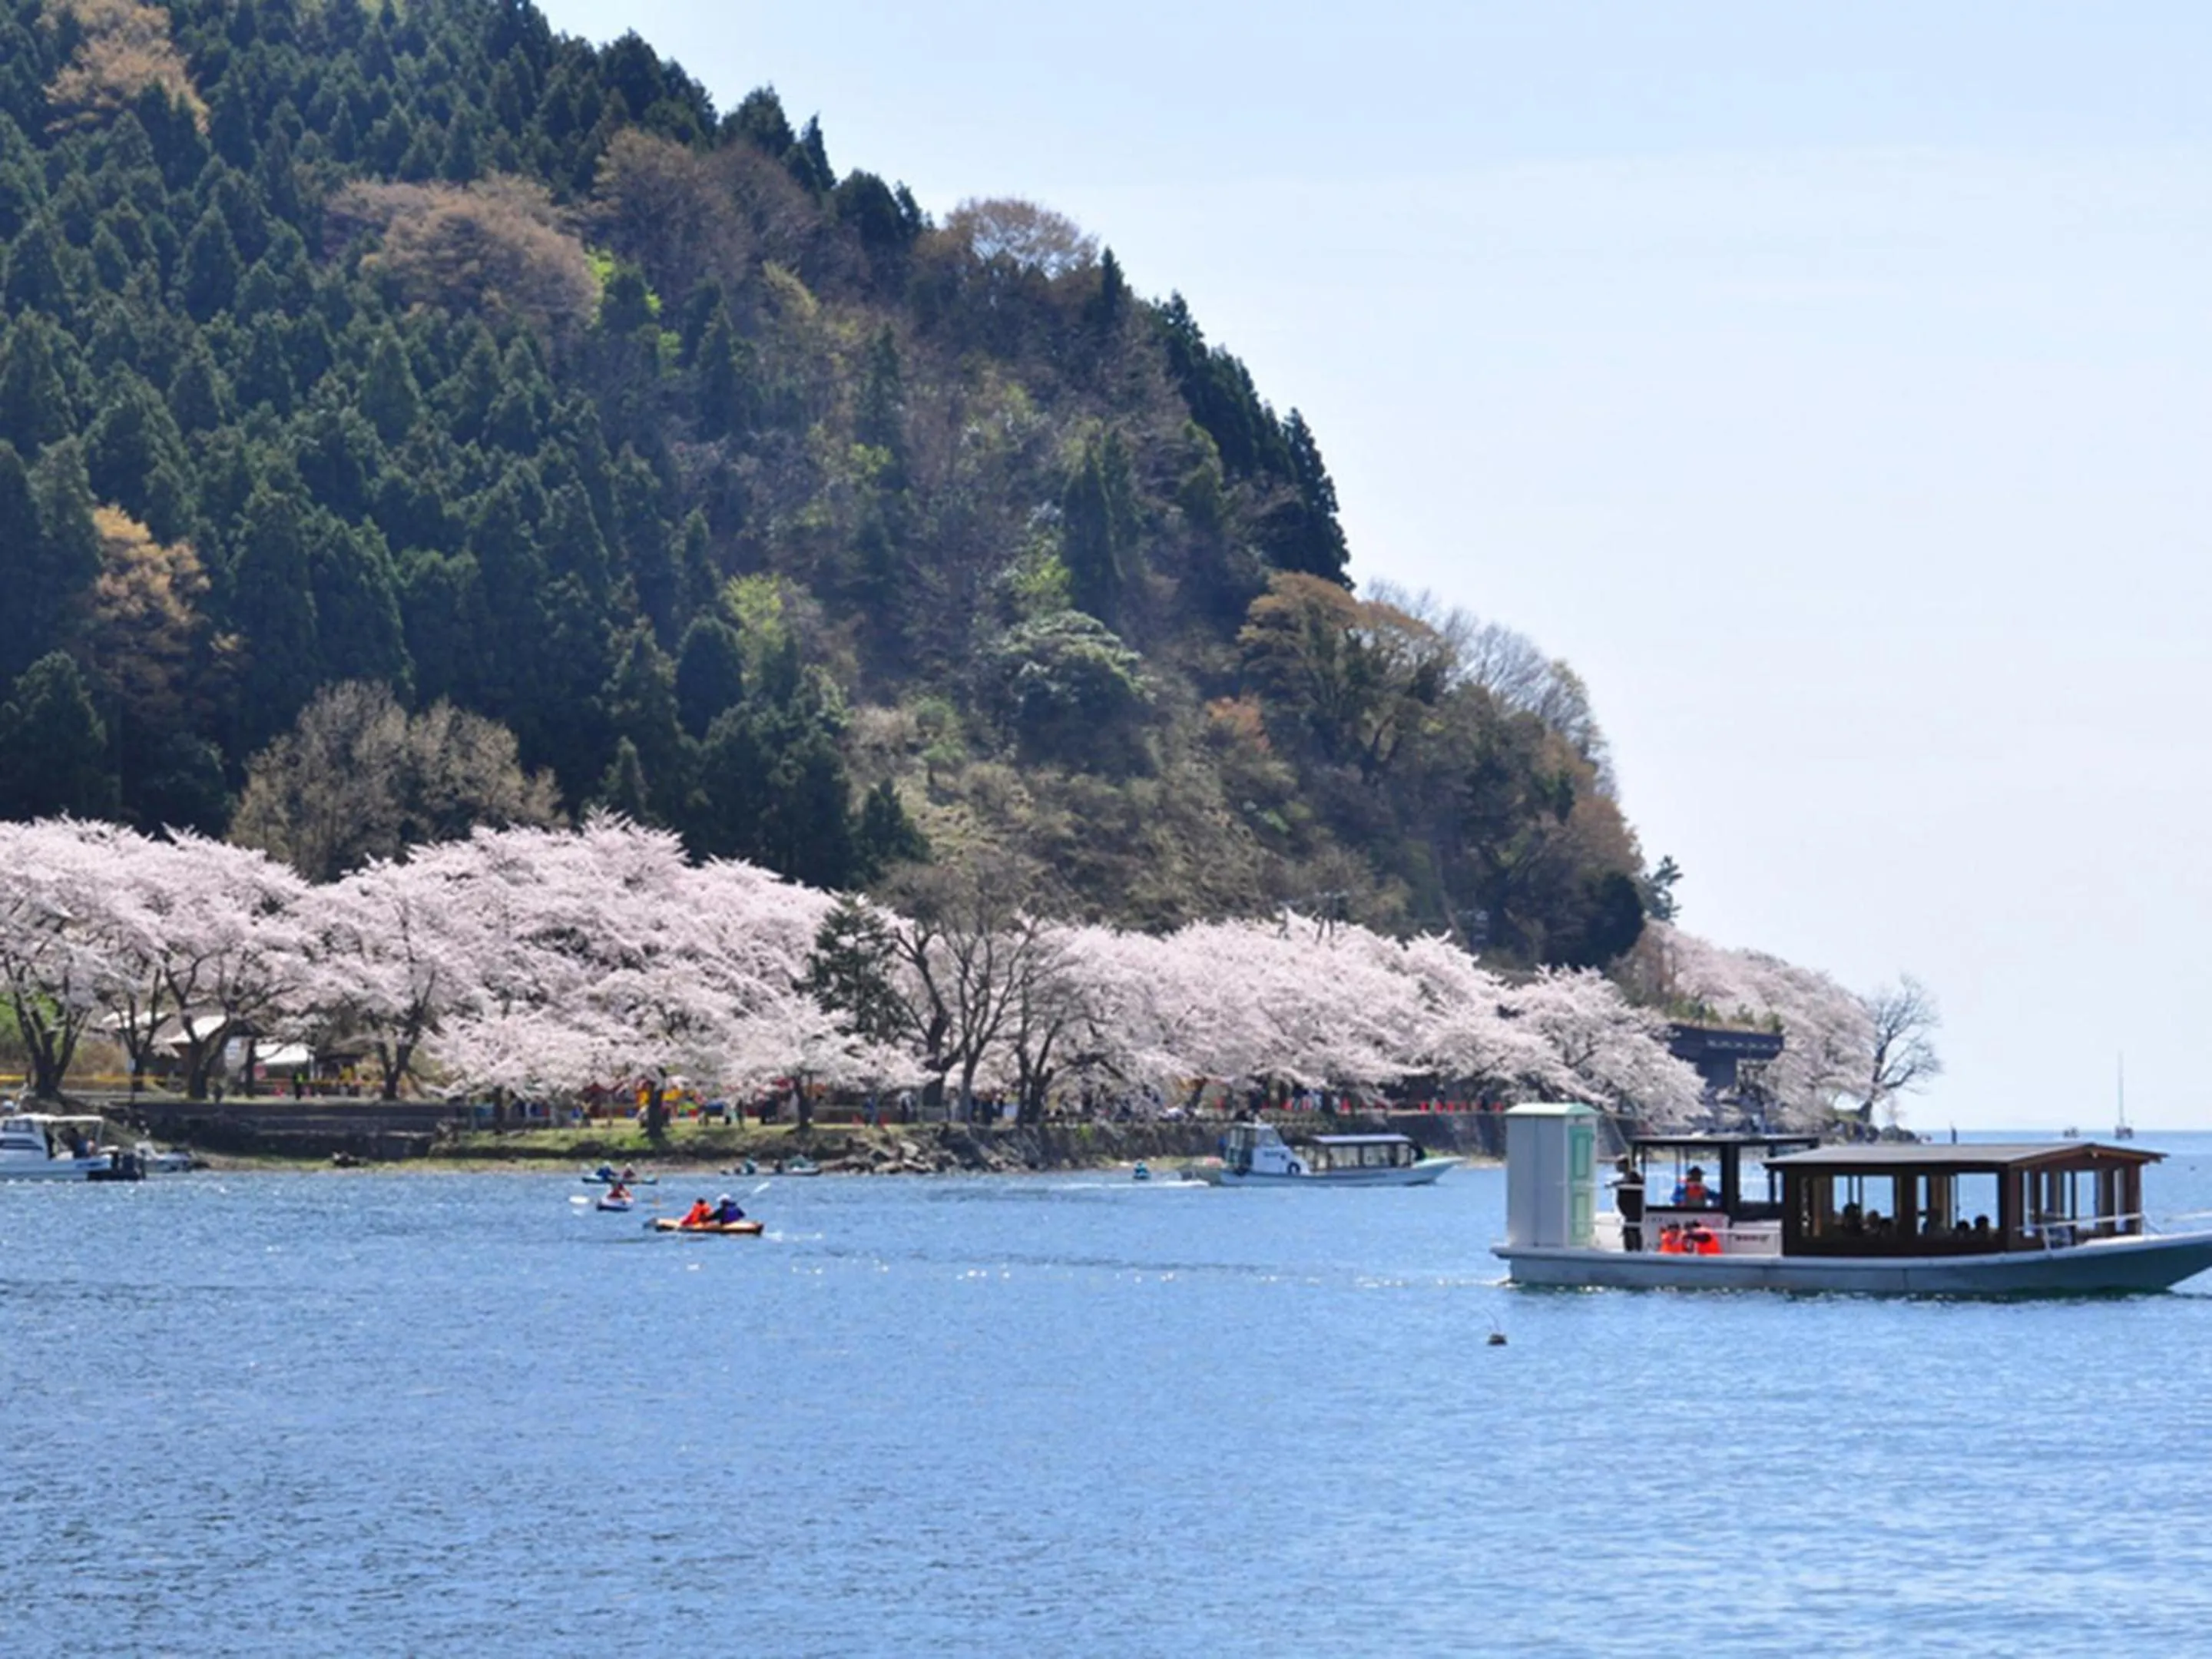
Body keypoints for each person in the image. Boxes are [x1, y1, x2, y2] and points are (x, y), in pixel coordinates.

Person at [1611, 1156, 1645, 1251]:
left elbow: (1631, 1182)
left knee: (1633, 1230)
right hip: (1628, 1211)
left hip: (1634, 1210)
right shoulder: (1626, 1176)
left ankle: (1637, 1251)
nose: (1616, 1167)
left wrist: (1618, 1184)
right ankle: (1629, 1250)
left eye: (1618, 1165)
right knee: (1628, 1230)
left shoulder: (1633, 1175)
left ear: (1625, 1165)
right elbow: (1624, 1182)